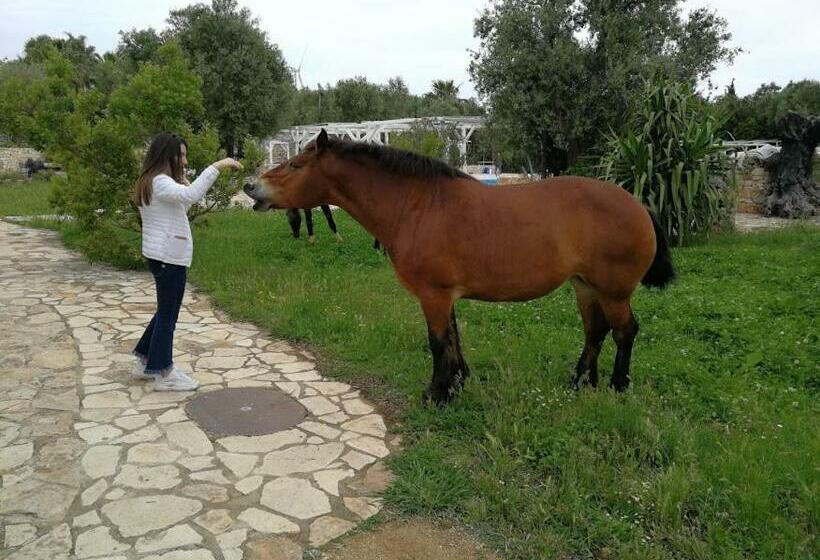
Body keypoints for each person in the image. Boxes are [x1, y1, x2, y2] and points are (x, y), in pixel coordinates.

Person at [131, 132, 242, 391]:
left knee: (164, 312)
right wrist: (218, 166)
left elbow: (187, 202)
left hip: (162, 256)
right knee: (168, 316)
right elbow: (192, 195)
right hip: (168, 258)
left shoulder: (153, 181)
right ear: (166, 156)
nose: (184, 159)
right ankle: (164, 373)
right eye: (180, 154)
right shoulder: (159, 182)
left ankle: (145, 360)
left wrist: (183, 180)